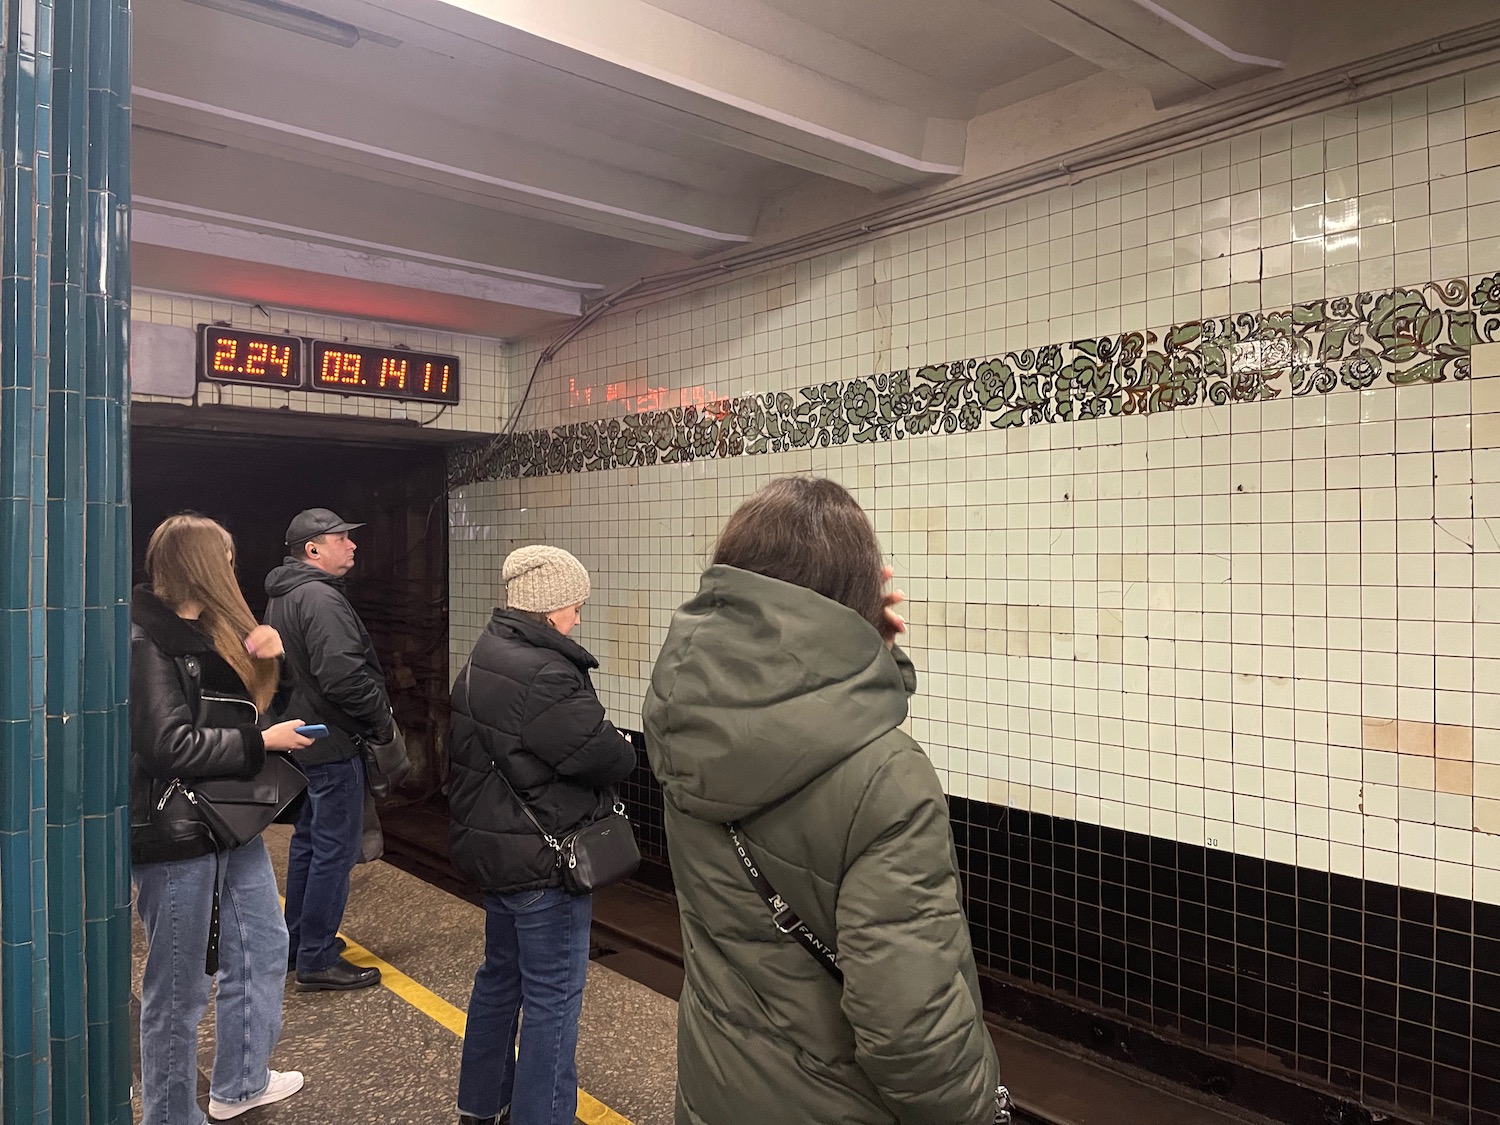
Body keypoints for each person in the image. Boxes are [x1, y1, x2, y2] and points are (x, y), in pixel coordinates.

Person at [641, 476, 1004, 1125]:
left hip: (717, 1086)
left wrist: (867, 655)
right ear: (854, 595)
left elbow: (808, 711)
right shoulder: (888, 776)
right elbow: (908, 1028)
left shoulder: (687, 719)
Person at [130, 513, 314, 1124]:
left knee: (264, 944)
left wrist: (268, 662)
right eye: (228, 560)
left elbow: (241, 714)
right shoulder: (146, 640)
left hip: (228, 822)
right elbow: (169, 746)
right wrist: (266, 744)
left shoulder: (208, 635)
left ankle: (240, 1083)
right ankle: (169, 1115)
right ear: (206, 566)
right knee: (178, 992)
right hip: (176, 831)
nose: (233, 570)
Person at [448, 545, 638, 1125]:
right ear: (549, 608)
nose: (577, 618)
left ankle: (481, 1106)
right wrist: (623, 748)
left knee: (499, 983)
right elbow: (601, 755)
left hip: (499, 853)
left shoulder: (484, 656)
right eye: (574, 607)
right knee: (553, 1000)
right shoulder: (546, 675)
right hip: (542, 861)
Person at [263, 508, 390, 991]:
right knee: (335, 849)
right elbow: (342, 675)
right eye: (341, 538)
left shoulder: (285, 595)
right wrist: (381, 720)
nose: (352, 545)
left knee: (311, 842)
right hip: (332, 740)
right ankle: (317, 955)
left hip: (306, 735)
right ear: (313, 549)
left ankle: (298, 945)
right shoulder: (319, 598)